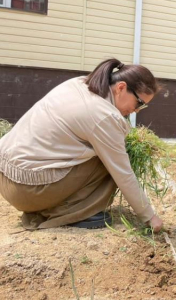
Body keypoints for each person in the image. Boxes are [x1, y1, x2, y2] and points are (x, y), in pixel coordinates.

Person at [0, 58, 163, 232]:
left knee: (109, 151)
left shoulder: (79, 83)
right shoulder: (104, 115)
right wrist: (149, 217)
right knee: (110, 160)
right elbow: (123, 173)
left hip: (6, 175)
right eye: (139, 103)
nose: (137, 110)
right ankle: (69, 211)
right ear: (121, 88)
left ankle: (58, 204)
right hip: (26, 190)